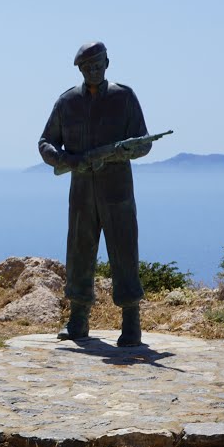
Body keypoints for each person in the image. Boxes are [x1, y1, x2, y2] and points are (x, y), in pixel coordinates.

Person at [38, 42, 152, 346]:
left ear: (107, 63)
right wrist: (68, 161)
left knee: (124, 251)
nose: (93, 70)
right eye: (87, 67)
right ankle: (77, 320)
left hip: (117, 190)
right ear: (79, 69)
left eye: (98, 64)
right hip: (81, 189)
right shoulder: (67, 102)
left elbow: (144, 142)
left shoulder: (124, 97)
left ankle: (131, 322)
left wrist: (115, 155)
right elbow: (46, 142)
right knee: (78, 251)